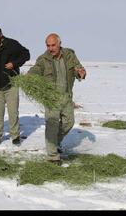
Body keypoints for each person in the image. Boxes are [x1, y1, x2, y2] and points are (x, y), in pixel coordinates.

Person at [28, 33, 86, 164]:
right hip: (51, 98)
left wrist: (81, 73)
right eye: (48, 45)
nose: (50, 48)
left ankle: (54, 143)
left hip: (66, 96)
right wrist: (30, 75)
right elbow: (36, 69)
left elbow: (78, 68)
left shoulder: (69, 55)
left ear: (59, 44)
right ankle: (52, 156)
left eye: (53, 45)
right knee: (52, 125)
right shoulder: (43, 59)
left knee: (69, 123)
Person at [0, 25, 30, 146]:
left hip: (11, 84)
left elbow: (26, 54)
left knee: (13, 112)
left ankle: (15, 136)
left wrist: (14, 63)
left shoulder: (11, 44)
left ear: (0, 35)